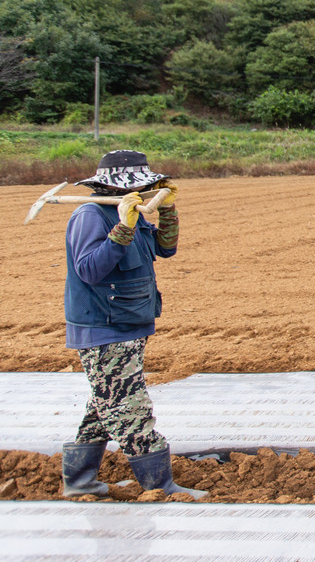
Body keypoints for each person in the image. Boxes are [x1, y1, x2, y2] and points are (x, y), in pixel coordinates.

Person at [61, 150, 205, 499]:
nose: (146, 191)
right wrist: (122, 228)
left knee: (104, 405)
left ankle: (80, 482)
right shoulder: (91, 216)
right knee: (128, 407)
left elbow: (165, 248)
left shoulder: (131, 210)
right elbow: (90, 270)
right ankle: (160, 485)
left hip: (129, 324)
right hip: (103, 329)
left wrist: (167, 210)